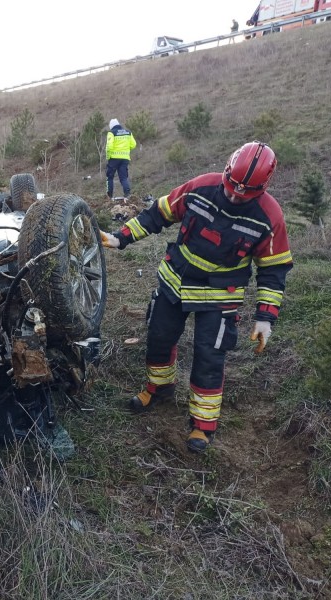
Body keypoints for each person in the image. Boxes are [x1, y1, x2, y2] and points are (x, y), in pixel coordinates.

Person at [100, 142, 293, 453]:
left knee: (209, 357)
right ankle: (159, 388)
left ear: (261, 188)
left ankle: (203, 424)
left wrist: (265, 317)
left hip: (220, 297)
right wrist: (120, 237)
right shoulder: (200, 187)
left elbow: (274, 269)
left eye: (243, 194)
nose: (234, 196)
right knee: (159, 338)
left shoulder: (270, 217)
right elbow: (158, 213)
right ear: (226, 172)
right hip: (175, 281)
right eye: (231, 188)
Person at [105, 118, 137, 199]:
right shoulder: (128, 132)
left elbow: (109, 147)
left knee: (110, 177)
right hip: (125, 158)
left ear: (111, 126)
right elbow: (133, 144)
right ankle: (127, 194)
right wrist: (126, 149)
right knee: (123, 177)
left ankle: (109, 196)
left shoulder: (111, 133)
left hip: (114, 158)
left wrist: (108, 157)